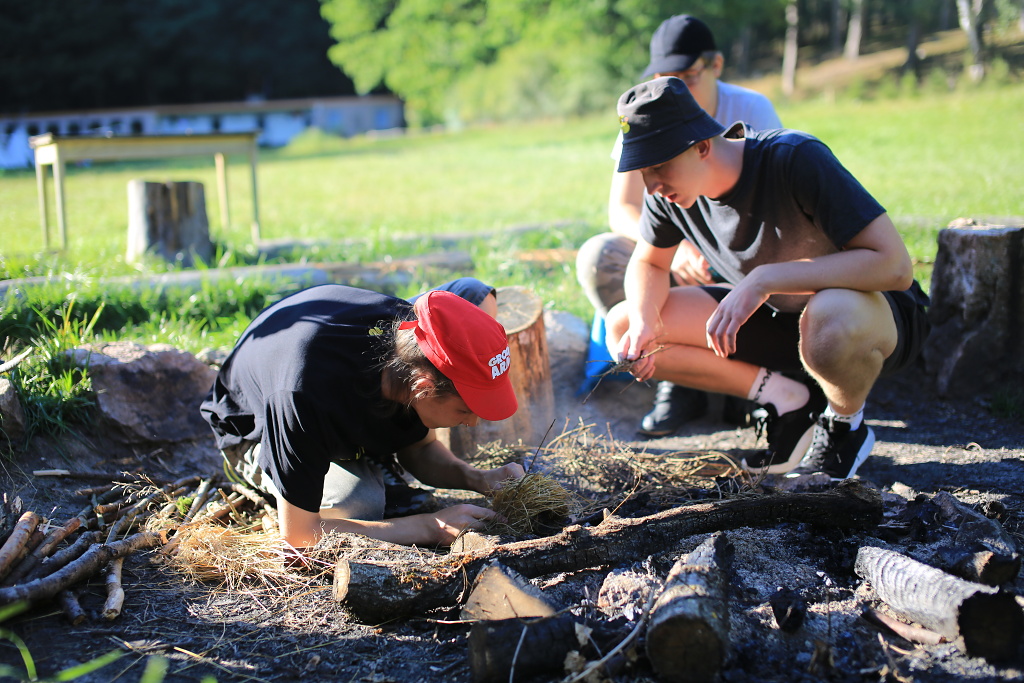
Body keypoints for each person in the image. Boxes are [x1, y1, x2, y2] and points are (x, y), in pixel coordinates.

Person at [606, 76, 930, 480]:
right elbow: (650, 263)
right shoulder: (667, 197)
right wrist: (644, 321)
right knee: (623, 325)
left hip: (871, 316)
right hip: (782, 318)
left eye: (658, 166)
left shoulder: (793, 158)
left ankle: (844, 427)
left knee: (828, 315)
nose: (652, 185)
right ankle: (790, 402)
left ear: (702, 146)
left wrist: (766, 279)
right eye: (642, 170)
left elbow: (895, 267)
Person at [200, 278, 525, 550]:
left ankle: (369, 459)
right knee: (358, 502)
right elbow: (299, 535)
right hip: (250, 425)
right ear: (423, 387)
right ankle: (359, 467)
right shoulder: (304, 393)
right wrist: (429, 526)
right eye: (465, 409)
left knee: (472, 292)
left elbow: (420, 449)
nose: (472, 422)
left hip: (332, 382)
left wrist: (477, 479)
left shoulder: (414, 346)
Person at [576, 14, 782, 436]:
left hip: (742, 249)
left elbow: (774, 203)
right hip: (678, 248)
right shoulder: (644, 115)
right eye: (665, 78)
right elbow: (624, 207)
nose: (677, 89)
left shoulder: (752, 108)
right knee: (601, 257)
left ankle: (754, 380)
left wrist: (710, 248)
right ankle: (675, 378)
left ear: (716, 65)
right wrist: (676, 246)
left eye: (688, 77)